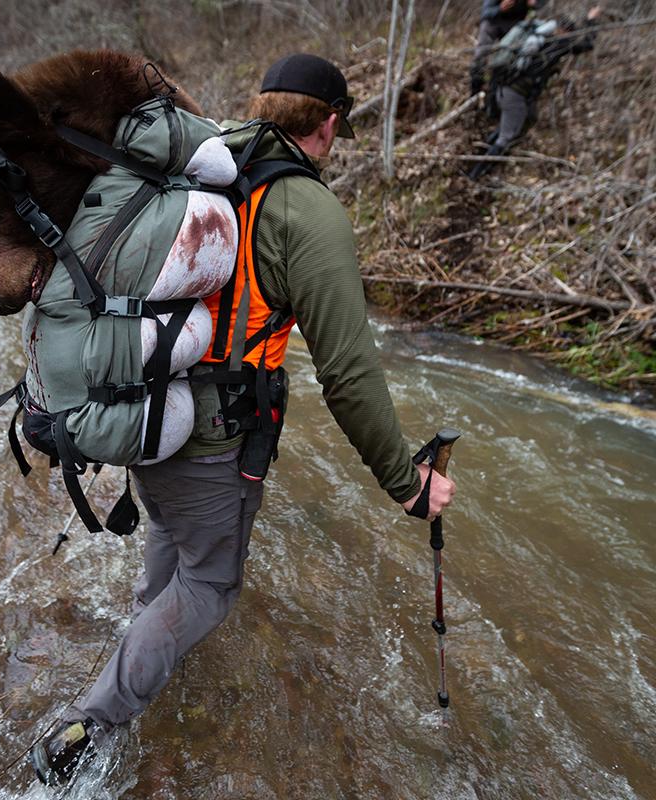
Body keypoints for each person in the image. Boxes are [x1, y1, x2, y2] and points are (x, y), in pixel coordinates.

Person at [30, 53, 456, 786]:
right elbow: (350, 375)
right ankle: (93, 719)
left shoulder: (206, 159)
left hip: (141, 403)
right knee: (210, 584)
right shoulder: (308, 211)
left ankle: (143, 638)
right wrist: (406, 482)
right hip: (214, 436)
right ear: (326, 126)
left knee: (171, 536)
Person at [469, 7, 601, 179]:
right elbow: (587, 44)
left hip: (505, 89)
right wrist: (591, 20)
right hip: (514, 94)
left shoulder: (536, 36)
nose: (570, 37)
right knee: (507, 137)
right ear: (563, 31)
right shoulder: (556, 44)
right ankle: (476, 174)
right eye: (570, 33)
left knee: (527, 118)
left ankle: (480, 155)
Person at [470, 0, 543, 96]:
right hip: (493, 21)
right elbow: (486, 12)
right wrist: (499, 9)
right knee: (481, 54)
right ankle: (475, 91)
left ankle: (500, 89)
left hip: (515, 25)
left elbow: (541, 6)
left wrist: (534, 4)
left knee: (512, 57)